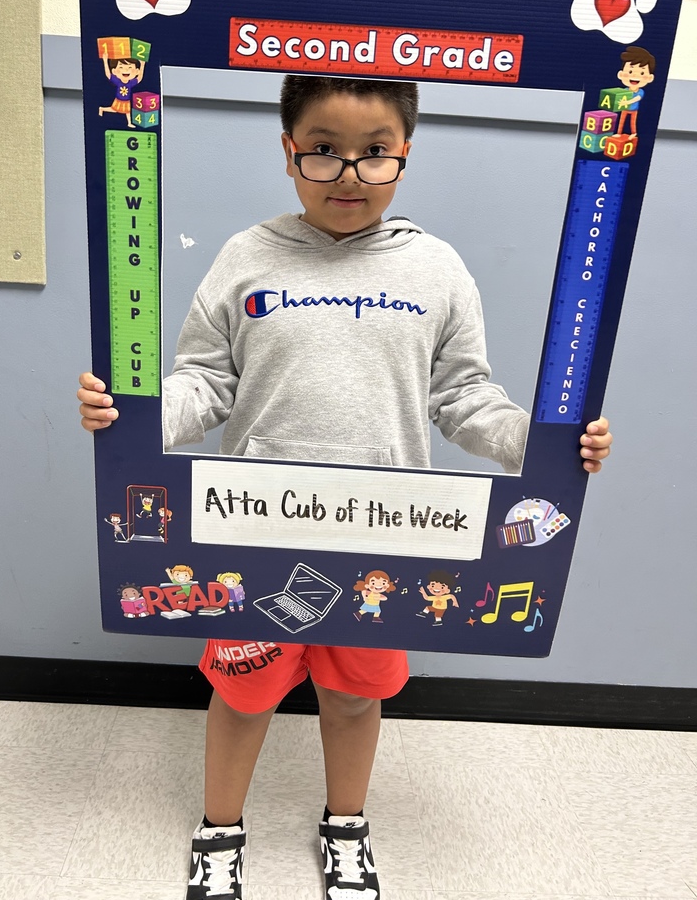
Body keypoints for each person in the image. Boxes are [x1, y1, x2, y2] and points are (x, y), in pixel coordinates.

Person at [78, 75, 612, 900]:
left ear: (405, 156)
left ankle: (346, 825)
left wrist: (538, 446)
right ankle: (220, 828)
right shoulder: (245, 257)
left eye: (374, 154)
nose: (349, 174)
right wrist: (133, 416)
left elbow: (463, 395)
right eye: (323, 151)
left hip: (385, 541)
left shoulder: (437, 268)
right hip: (253, 536)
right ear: (289, 151)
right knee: (243, 692)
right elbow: (203, 382)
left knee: (356, 697)